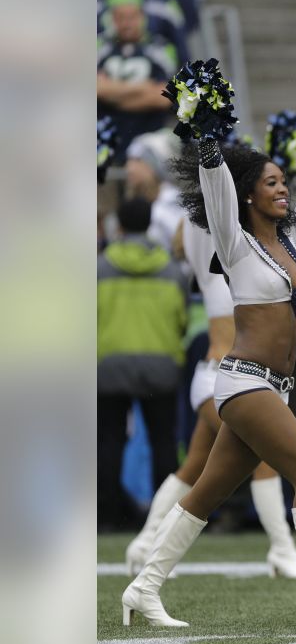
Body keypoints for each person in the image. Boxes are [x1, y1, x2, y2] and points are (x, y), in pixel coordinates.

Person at [122, 122, 296, 628]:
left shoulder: (290, 240)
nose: (283, 188)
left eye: (284, 180)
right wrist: (207, 138)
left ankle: (144, 587)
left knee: (205, 492)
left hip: (273, 389)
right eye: (270, 182)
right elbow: (216, 186)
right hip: (244, 381)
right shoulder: (235, 244)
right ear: (247, 195)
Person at [124, 214, 296, 580]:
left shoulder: (254, 261)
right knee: (263, 459)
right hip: (218, 380)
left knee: (195, 465)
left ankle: (146, 543)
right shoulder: (214, 263)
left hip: (243, 382)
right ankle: (282, 549)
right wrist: (212, 166)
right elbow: (209, 201)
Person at [97, 197, 187, 532]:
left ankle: (106, 517)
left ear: (118, 224)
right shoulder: (169, 268)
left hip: (108, 366)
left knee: (108, 441)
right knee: (163, 441)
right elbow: (180, 318)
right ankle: (162, 519)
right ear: (150, 222)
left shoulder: (99, 267)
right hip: (160, 365)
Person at [96, 0, 177, 149]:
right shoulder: (99, 46)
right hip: (102, 137)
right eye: (120, 18)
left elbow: (164, 97)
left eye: (132, 17)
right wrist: (142, 88)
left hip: (149, 137)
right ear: (111, 19)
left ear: (142, 17)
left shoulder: (161, 47)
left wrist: (112, 95)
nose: (126, 24)